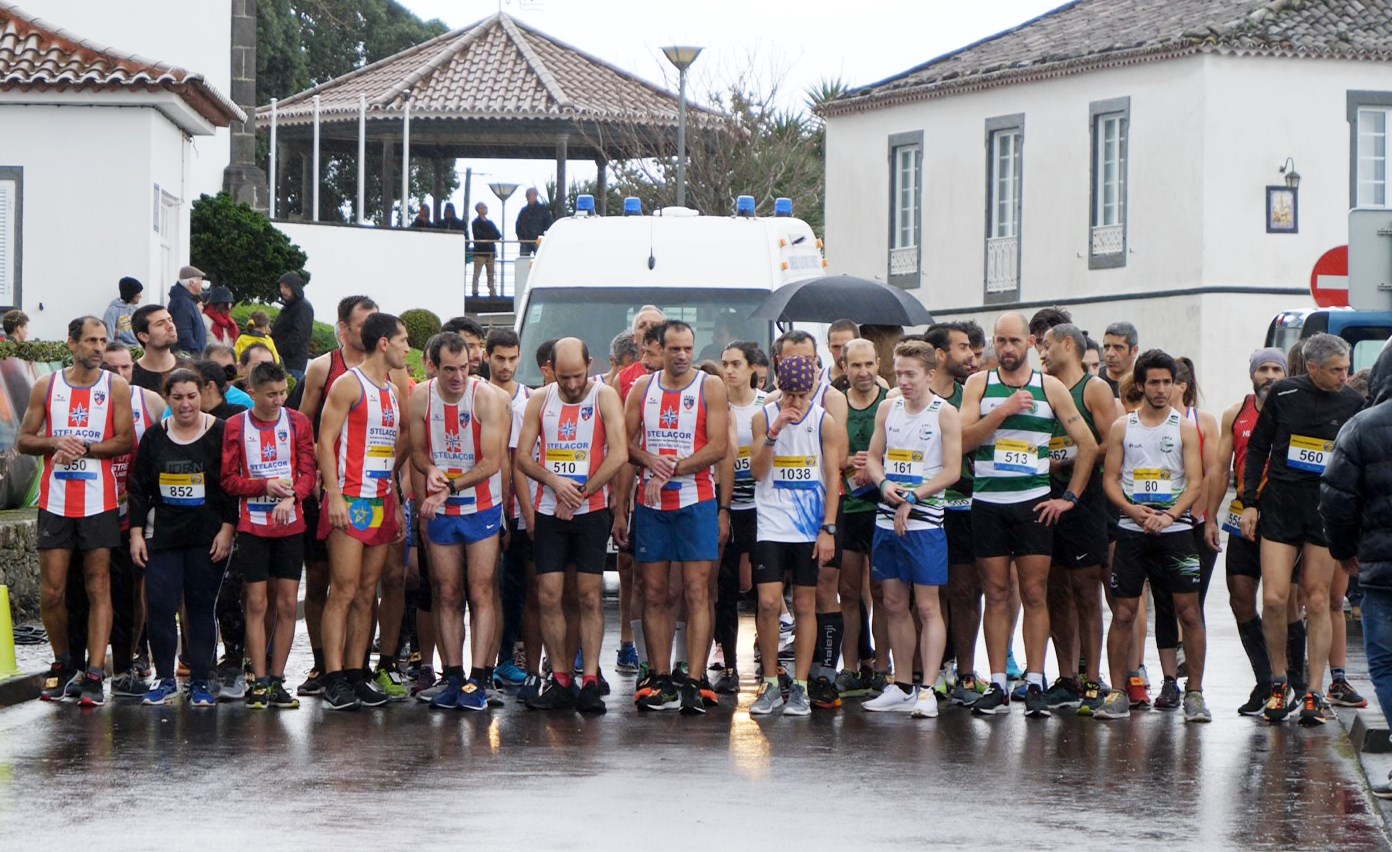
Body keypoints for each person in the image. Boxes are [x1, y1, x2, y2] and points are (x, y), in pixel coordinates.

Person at [958, 313, 1098, 717]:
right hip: (988, 503)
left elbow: (1088, 444)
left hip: (1033, 504)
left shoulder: (1049, 387)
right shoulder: (978, 384)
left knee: (1035, 594)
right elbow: (962, 441)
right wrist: (1001, 412)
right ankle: (998, 683)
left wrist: (1069, 497)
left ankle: (1035, 681)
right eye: (1000, 341)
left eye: (1015, 341)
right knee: (996, 594)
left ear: (1031, 344)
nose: (1007, 348)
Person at [1240, 333, 1365, 725]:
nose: (1344, 377)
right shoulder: (1283, 394)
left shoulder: (1353, 403)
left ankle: (1314, 691)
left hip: (1324, 510)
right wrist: (1249, 502)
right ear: (1312, 368)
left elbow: (1359, 462)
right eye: (1336, 370)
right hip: (1281, 507)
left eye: (1346, 369)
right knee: (1274, 599)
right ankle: (1279, 682)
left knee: (1318, 598)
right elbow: (1257, 448)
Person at [294, 295, 412, 697]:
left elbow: (392, 450)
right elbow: (324, 441)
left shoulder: (392, 390)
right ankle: (333, 677)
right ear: (384, 343)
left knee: (366, 592)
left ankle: (357, 674)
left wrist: (396, 503)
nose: (407, 349)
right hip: (350, 499)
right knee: (342, 590)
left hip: (381, 500)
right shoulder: (347, 384)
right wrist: (335, 495)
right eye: (403, 341)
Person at [19, 317, 134, 705]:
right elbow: (24, 440)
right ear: (72, 343)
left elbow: (125, 441)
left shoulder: (115, 386)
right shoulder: (46, 385)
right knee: (53, 590)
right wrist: (56, 442)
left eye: (103, 340)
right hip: (55, 501)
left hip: (99, 501)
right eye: (91, 341)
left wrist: (85, 448)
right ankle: (64, 663)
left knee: (97, 584)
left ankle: (95, 673)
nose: (99, 348)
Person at [617, 319, 730, 713]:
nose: (682, 355)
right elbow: (624, 444)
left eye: (688, 348)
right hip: (651, 505)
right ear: (658, 350)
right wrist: (650, 463)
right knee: (654, 592)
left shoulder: (709, 386)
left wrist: (673, 469)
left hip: (696, 501)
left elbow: (718, 446)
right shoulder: (642, 388)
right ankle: (660, 678)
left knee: (697, 591)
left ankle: (695, 680)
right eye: (674, 349)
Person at [1095, 349, 1210, 722]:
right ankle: (1118, 692)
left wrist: (1171, 515)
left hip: (1176, 530)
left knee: (1188, 611)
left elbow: (1196, 482)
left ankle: (1195, 693)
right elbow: (1110, 480)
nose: (1161, 389)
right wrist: (1130, 509)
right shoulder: (1123, 427)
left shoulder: (1184, 427)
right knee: (1124, 612)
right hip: (1132, 530)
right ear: (1141, 385)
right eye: (1154, 382)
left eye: (1167, 382)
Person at [515, 338, 627, 712]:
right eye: (564, 377)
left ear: (589, 364)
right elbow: (523, 457)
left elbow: (619, 453)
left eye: (578, 375)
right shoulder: (540, 399)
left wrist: (580, 492)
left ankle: (590, 678)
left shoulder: (604, 396)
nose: (573, 384)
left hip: (590, 510)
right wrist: (554, 483)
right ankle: (560, 679)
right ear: (551, 370)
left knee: (589, 596)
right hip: (550, 510)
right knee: (548, 595)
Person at [858, 341, 961, 719]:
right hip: (887, 518)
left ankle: (927, 689)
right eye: (898, 373)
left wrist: (914, 498)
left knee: (928, 605)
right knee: (893, 603)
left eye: (911, 374)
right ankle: (902, 685)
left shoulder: (944, 413)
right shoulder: (888, 408)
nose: (903, 381)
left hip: (925, 522)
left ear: (930, 375)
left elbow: (952, 471)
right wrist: (884, 483)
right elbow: (873, 458)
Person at [408, 332, 504, 711]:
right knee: (446, 592)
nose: (458, 377)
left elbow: (492, 461)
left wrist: (448, 486)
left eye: (464, 368)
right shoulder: (421, 397)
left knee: (480, 591)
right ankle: (451, 676)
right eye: (449, 369)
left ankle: (477, 679)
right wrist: (430, 470)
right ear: (433, 366)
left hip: (480, 505)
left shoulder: (485, 397)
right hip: (441, 509)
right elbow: (417, 451)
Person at [128, 368, 235, 706]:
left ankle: (201, 681)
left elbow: (232, 485)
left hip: (207, 536)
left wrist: (228, 529)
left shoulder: (220, 432)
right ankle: (164, 679)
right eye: (177, 398)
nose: (185, 404)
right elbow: (138, 487)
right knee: (160, 606)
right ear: (167, 398)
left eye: (191, 396)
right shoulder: (154, 437)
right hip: (163, 536)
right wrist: (135, 534)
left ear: (203, 394)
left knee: (201, 608)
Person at [747, 353, 843, 717]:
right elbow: (757, 471)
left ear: (814, 389)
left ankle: (801, 685)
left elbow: (832, 476)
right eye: (789, 395)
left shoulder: (823, 421)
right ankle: (771, 681)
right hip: (772, 523)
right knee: (769, 602)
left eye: (803, 395)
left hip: (808, 526)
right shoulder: (763, 417)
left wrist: (828, 528)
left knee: (805, 604)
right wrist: (774, 432)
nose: (796, 403)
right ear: (778, 388)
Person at [221, 360, 316, 709]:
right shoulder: (236, 425)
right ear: (252, 393)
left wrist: (292, 497)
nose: (278, 400)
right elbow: (228, 479)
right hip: (252, 525)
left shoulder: (297, 422)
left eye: (282, 393)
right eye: (270, 395)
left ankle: (277, 679)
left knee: (288, 603)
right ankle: (258, 680)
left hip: (291, 525)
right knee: (257, 603)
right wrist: (264, 485)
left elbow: (308, 472)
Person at [1321, 343, 1392, 796]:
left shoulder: (1362, 426)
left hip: (1381, 570)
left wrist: (1345, 551)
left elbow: (1336, 499)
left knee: (1385, 663)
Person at [1039, 323, 1117, 715]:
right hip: (1045, 498)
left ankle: (1092, 679)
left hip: (1086, 500)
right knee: (1055, 590)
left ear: (1068, 345)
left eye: (1046, 345)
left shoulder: (1093, 388)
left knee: (1086, 590)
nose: (1041, 353)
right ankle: (1066, 677)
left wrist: (1070, 457)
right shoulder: (1043, 388)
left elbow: (1113, 441)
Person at [1207, 347, 1287, 715]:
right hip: (1242, 514)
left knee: (1283, 603)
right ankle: (1265, 679)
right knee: (1240, 599)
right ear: (1252, 374)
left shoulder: (1295, 409)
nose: (1269, 375)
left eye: (1276, 369)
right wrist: (1209, 517)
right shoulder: (1235, 413)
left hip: (1283, 518)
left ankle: (1292, 680)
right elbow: (1219, 469)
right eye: (1263, 369)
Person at [924, 323, 986, 707]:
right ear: (940, 354)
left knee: (966, 590)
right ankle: (933, 672)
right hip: (925, 505)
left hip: (965, 504)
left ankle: (965, 672)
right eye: (963, 347)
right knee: (931, 593)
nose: (971, 356)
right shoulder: (915, 396)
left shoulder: (970, 394)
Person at [100, 342, 166, 699]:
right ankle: (89, 661)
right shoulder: (88, 400)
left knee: (135, 589)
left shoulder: (149, 401)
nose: (120, 374)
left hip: (135, 510)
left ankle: (135, 654)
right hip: (93, 506)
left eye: (126, 367)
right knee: (95, 588)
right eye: (112, 368)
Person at [712, 341, 767, 694]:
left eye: (736, 364)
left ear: (752, 369)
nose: (729, 370)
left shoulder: (767, 405)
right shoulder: (718, 406)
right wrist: (723, 508)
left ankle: (768, 659)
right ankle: (730, 665)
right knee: (725, 587)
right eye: (725, 364)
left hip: (762, 508)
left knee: (765, 588)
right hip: (728, 505)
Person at [834, 339, 887, 698]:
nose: (863, 372)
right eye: (856, 365)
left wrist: (876, 464)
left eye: (869, 364)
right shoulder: (838, 404)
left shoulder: (890, 402)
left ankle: (882, 667)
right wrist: (847, 462)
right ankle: (850, 667)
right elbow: (829, 455)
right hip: (849, 507)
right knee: (849, 592)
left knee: (883, 593)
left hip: (883, 507)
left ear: (878, 363)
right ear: (844, 367)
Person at [486, 328, 532, 688]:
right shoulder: (476, 394)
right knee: (485, 588)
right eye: (499, 358)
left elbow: (525, 459)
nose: (506, 365)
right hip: (483, 505)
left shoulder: (530, 399)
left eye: (512, 358)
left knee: (517, 586)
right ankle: (482, 664)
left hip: (520, 508)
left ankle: (509, 657)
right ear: (487, 357)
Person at [271, 272, 313, 383]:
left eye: (286, 287)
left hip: (292, 364)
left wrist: (277, 350)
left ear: (294, 287)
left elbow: (298, 337)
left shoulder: (303, 307)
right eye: (281, 287)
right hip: (280, 360)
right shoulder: (288, 307)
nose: (282, 290)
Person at [130, 305, 180, 393]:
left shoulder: (190, 368)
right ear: (144, 336)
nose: (170, 326)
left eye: (170, 320)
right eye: (160, 324)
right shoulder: (131, 377)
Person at [168, 265, 207, 356]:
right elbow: (183, 333)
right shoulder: (181, 303)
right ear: (191, 282)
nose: (202, 282)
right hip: (190, 358)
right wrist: (195, 355)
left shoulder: (187, 301)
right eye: (200, 279)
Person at [201, 346, 254, 410]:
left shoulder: (246, 402)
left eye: (228, 371)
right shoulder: (194, 399)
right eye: (216, 371)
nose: (222, 377)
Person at [471, 202, 502, 298]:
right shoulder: (475, 223)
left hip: (490, 252)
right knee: (477, 273)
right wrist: (490, 236)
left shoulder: (490, 223)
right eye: (483, 207)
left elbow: (498, 235)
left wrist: (487, 236)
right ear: (479, 209)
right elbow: (478, 235)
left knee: (491, 274)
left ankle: (492, 291)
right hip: (480, 252)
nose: (485, 208)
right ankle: (475, 290)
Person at [1101, 321, 1139, 398]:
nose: (1110, 354)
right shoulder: (1094, 380)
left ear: (1134, 351)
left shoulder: (1144, 382)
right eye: (1106, 347)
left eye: (1118, 348)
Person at [103, 277, 142, 346]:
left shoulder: (136, 311)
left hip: (137, 350)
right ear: (131, 293)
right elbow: (108, 338)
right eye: (138, 292)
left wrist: (119, 333)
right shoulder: (112, 311)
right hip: (119, 350)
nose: (140, 296)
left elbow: (140, 336)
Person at [515, 188, 553, 256]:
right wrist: (521, 238)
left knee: (540, 259)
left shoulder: (543, 209)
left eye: (531, 195)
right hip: (526, 241)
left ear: (536, 196)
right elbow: (518, 226)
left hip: (538, 240)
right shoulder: (524, 211)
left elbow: (549, 224)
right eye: (528, 196)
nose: (529, 198)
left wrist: (543, 237)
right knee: (523, 260)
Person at [826, 319, 859, 384]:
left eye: (847, 347)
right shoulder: (816, 379)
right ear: (829, 346)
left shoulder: (871, 381)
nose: (842, 354)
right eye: (836, 347)